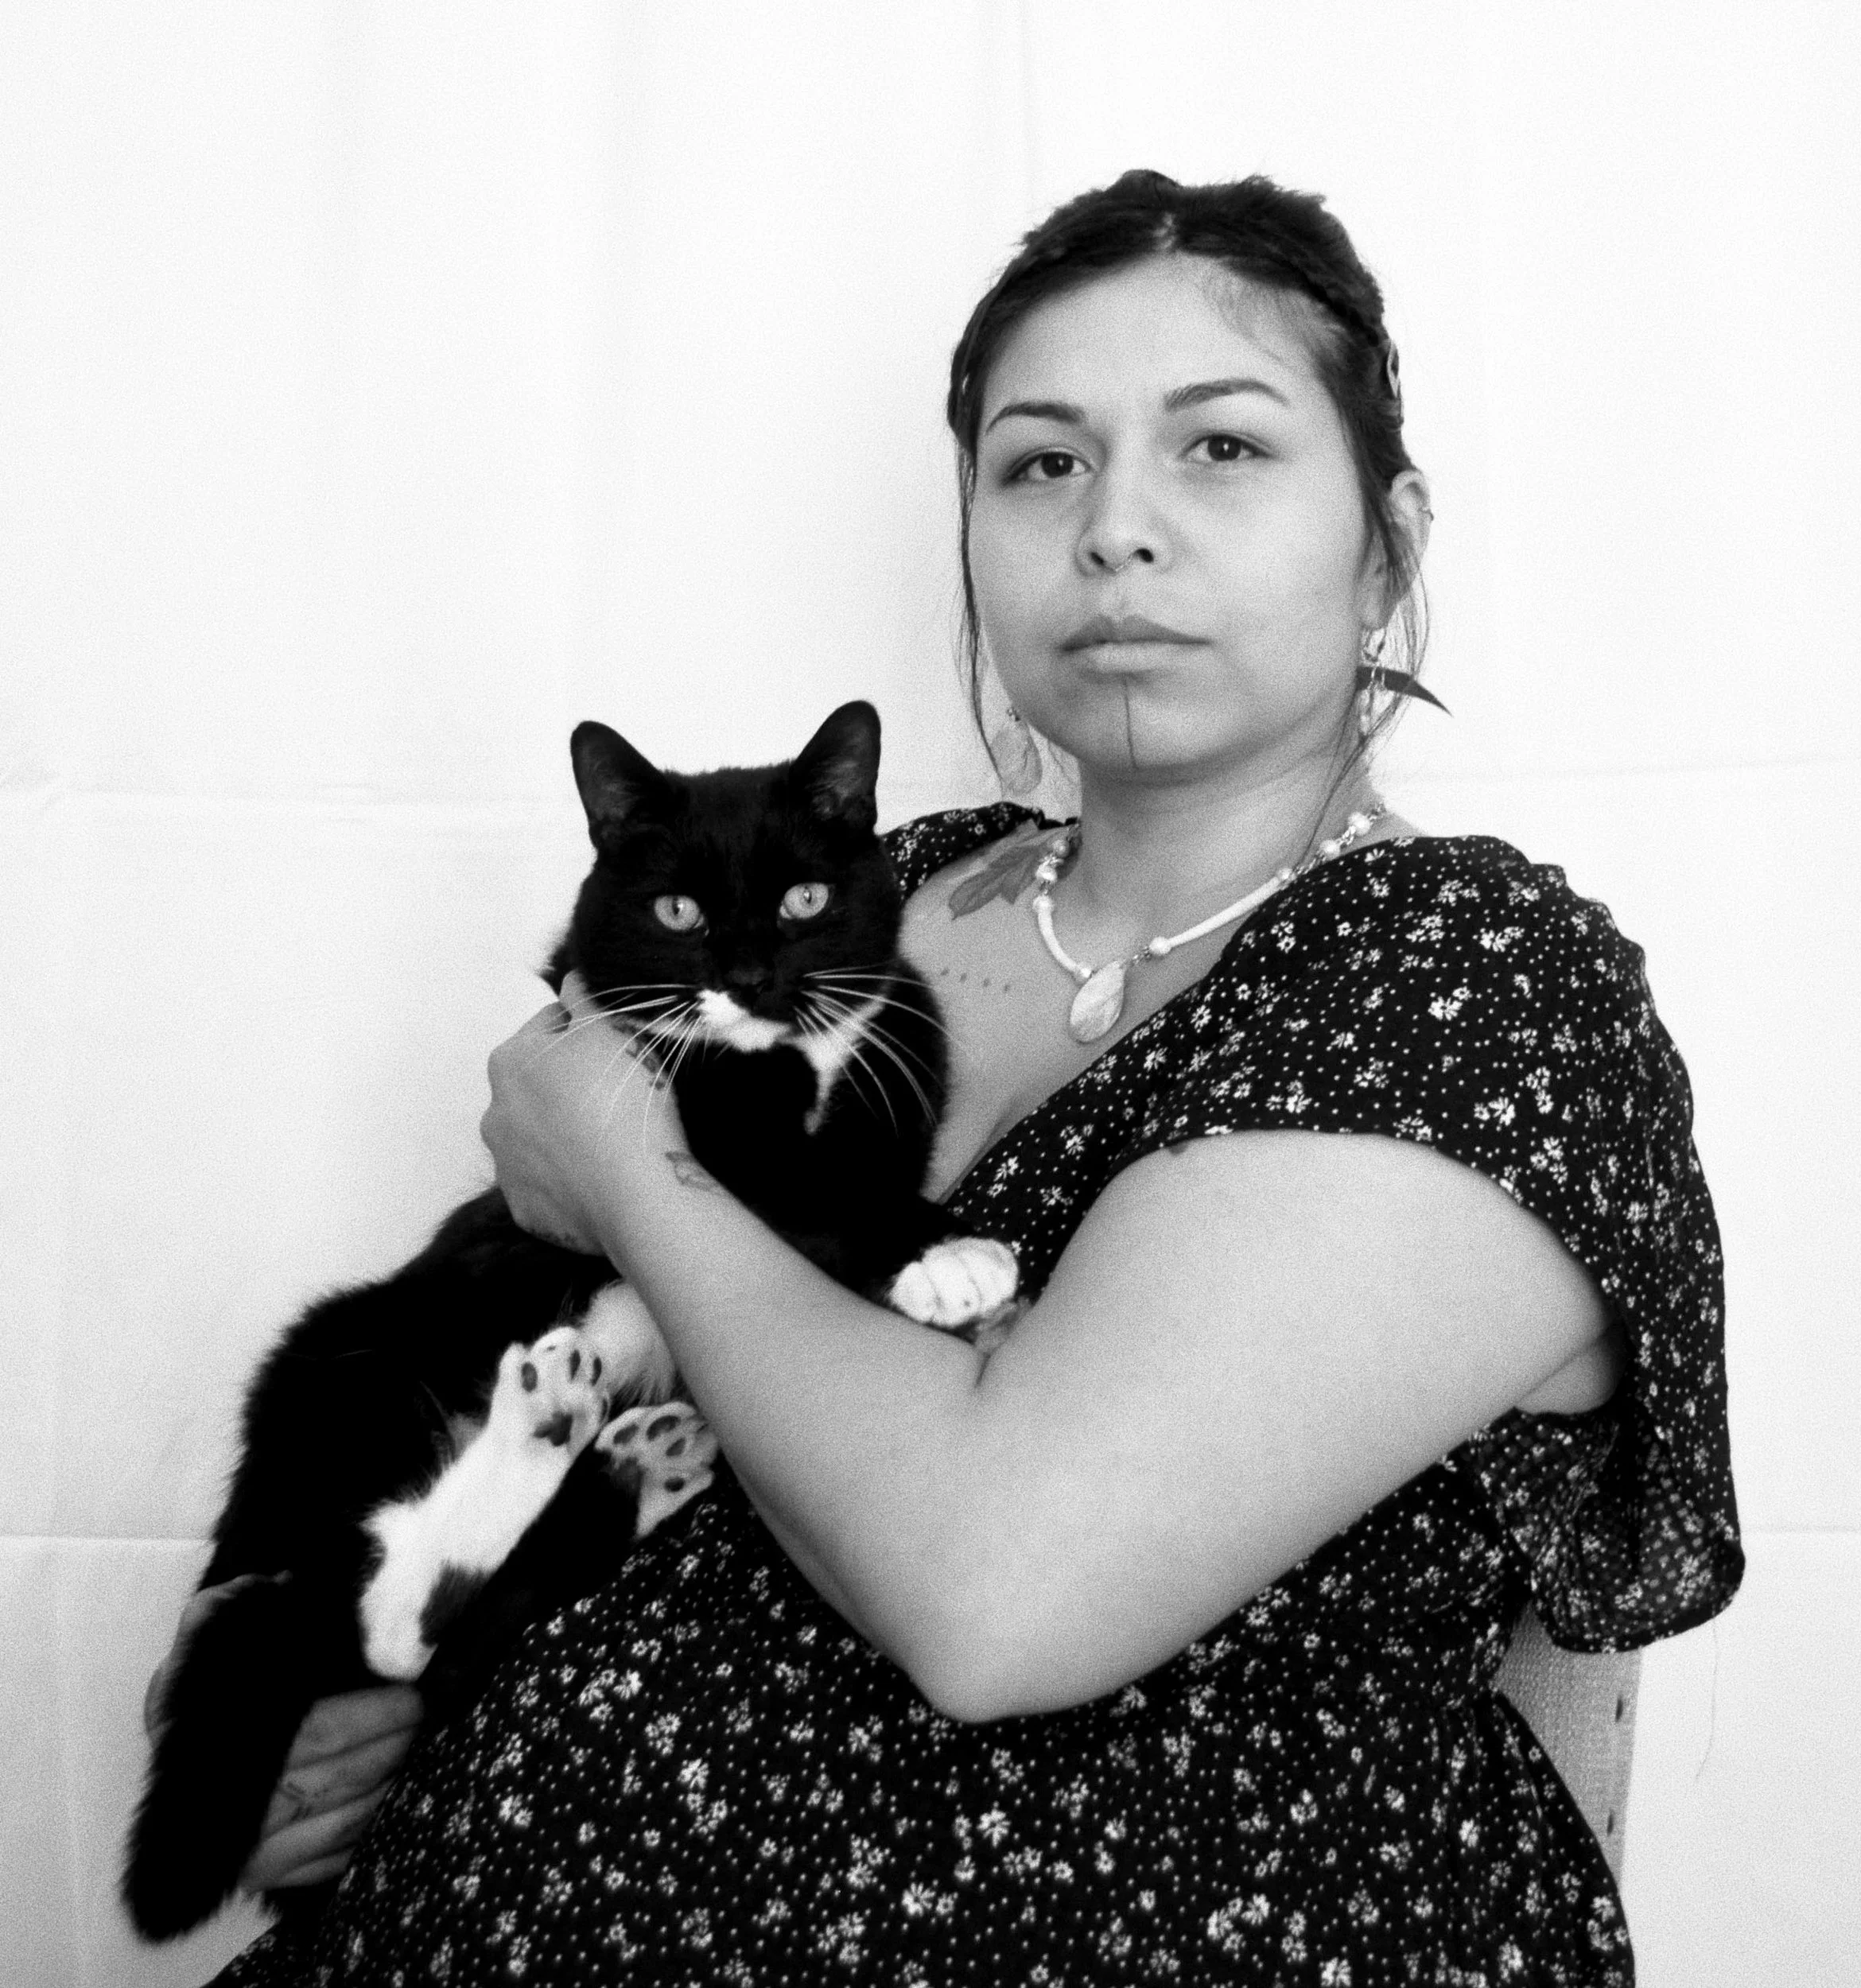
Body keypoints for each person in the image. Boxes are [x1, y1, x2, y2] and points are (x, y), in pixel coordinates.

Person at [196, 169, 1741, 1984]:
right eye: (1039, 463)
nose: (1114, 531)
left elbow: (991, 1594)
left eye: (1222, 449)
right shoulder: (865, 880)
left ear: (1385, 541)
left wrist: (628, 1156)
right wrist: (318, 1660)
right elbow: (500, 1337)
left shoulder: (1470, 982)